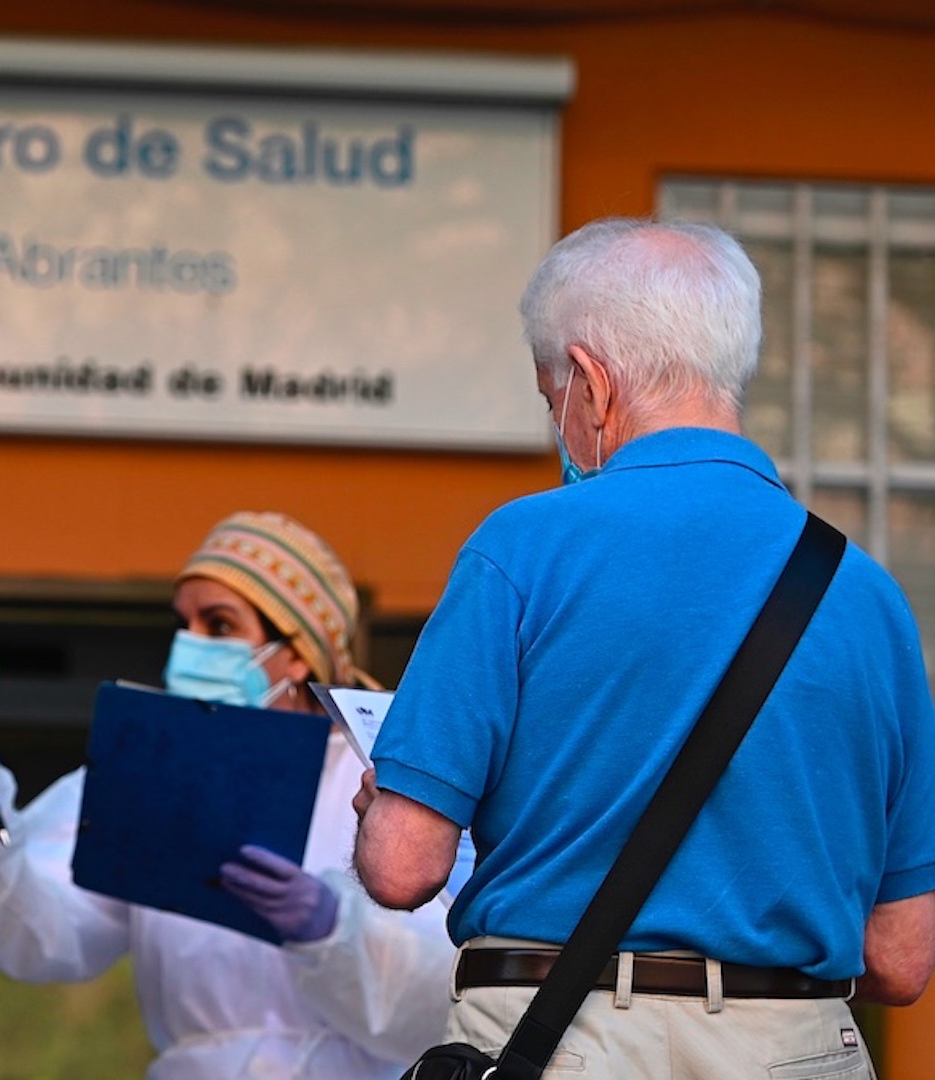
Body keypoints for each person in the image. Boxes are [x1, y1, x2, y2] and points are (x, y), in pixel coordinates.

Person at [354, 217, 935, 1077]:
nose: (560, 420)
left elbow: (405, 866)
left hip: (569, 1043)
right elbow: (900, 956)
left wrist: (379, 808)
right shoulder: (871, 597)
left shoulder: (523, 548)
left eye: (551, 398)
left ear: (591, 382)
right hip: (800, 1051)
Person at [0, 511, 458, 1079]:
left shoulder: (380, 777)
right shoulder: (151, 773)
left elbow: (453, 985)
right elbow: (40, 928)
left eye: (219, 626)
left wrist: (332, 930)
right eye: (184, 624)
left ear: (296, 651)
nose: (188, 645)